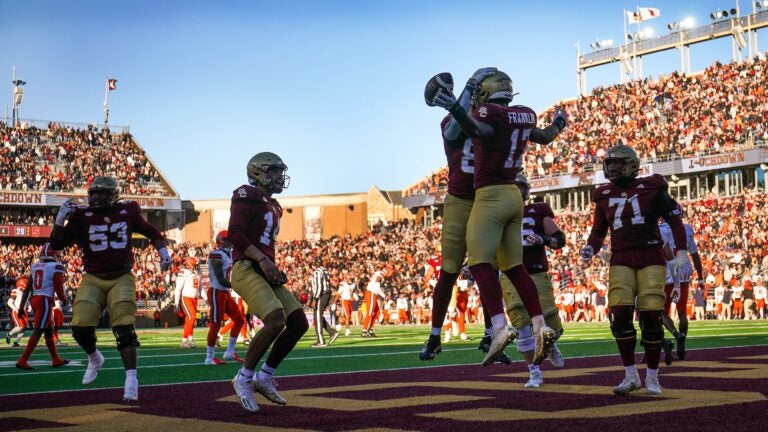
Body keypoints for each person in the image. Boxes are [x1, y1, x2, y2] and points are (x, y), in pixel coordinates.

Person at [429, 67, 567, 365]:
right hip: (513, 195)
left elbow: (477, 130)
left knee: (478, 262)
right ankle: (540, 324)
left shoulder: (485, 115)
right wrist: (559, 123)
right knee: (515, 266)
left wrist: (455, 102)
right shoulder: (524, 113)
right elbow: (543, 136)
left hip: (488, 195)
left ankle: (498, 327)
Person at [580, 144, 690, 396]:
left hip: (650, 254)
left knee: (651, 314)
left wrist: (682, 252)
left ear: (630, 164)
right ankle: (631, 375)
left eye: (616, 163)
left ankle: (652, 377)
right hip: (621, 258)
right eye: (609, 163)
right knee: (619, 314)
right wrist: (590, 246)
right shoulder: (603, 193)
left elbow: (674, 219)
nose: (611, 167)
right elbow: (598, 231)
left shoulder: (652, 187)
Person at [50, 176, 170, 401]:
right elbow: (57, 243)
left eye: (101, 193)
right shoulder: (81, 216)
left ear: (113, 194)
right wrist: (60, 220)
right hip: (92, 277)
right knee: (80, 328)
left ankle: (131, 380)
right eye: (93, 193)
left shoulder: (128, 210)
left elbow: (151, 232)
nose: (95, 197)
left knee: (124, 330)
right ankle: (95, 357)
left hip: (121, 276)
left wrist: (163, 252)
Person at [228, 152, 309, 413]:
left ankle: (264, 377)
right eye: (273, 171)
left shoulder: (274, 205)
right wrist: (263, 261)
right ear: (259, 172)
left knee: (298, 322)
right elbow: (235, 234)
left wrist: (269, 264)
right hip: (246, 268)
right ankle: (243, 378)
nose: (278, 176)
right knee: (276, 320)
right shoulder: (246, 195)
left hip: (264, 268)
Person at [500, 174, 566, 388]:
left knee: (551, 322)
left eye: (518, 187)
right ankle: (534, 372)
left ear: (526, 190)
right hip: (510, 273)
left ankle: (551, 344)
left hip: (535, 272)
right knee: (522, 324)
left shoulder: (538, 211)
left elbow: (559, 240)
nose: (515, 192)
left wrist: (543, 239)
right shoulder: (496, 214)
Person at [15, 243, 70, 370]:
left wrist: (21, 307)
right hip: (44, 300)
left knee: (48, 329)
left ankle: (55, 359)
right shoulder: (55, 266)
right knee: (39, 330)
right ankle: (23, 359)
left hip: (35, 300)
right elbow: (58, 286)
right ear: (53, 254)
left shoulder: (35, 266)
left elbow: (28, 288)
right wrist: (63, 298)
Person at [658, 208, 703, 360]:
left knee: (661, 312)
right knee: (682, 311)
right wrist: (701, 277)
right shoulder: (687, 229)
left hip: (668, 272)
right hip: (684, 271)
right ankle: (682, 338)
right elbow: (695, 255)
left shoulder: (661, 228)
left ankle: (676, 335)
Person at [205, 230, 245, 365]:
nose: (231, 242)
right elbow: (221, 279)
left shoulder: (229, 255)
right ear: (221, 241)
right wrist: (238, 285)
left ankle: (229, 352)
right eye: (228, 239)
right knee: (216, 324)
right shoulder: (216, 254)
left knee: (239, 320)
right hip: (217, 291)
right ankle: (209, 357)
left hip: (225, 292)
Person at [174, 256, 205, 348]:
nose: (197, 266)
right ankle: (190, 340)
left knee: (189, 319)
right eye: (195, 265)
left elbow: (200, 288)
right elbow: (178, 289)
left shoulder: (198, 273)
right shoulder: (184, 272)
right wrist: (176, 302)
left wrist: (207, 298)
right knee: (192, 317)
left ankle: (184, 340)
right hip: (186, 298)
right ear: (190, 264)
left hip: (195, 299)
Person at [310, 265, 339, 347]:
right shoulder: (325, 270)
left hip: (321, 295)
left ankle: (321, 340)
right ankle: (332, 332)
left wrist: (314, 299)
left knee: (318, 317)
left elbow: (318, 287)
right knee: (318, 316)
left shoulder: (317, 272)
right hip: (326, 294)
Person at [361, 267, 386, 337]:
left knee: (377, 312)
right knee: (370, 312)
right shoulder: (379, 276)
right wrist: (384, 295)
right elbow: (377, 288)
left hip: (373, 294)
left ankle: (370, 329)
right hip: (371, 293)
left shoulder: (377, 275)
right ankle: (364, 331)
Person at [6, 278, 28, 347]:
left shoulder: (25, 292)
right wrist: (15, 309)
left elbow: (26, 301)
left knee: (24, 327)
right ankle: (9, 334)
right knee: (20, 327)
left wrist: (29, 307)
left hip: (23, 311)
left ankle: (16, 342)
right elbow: (9, 302)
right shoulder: (16, 291)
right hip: (17, 310)